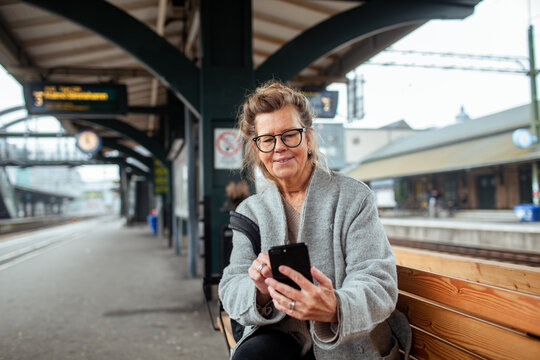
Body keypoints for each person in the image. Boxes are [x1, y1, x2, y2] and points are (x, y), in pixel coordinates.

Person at [218, 81, 400, 359]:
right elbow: (231, 286)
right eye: (267, 139)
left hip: (346, 342)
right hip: (278, 337)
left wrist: (335, 306)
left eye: (290, 134)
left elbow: (378, 280)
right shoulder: (250, 212)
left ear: (309, 139)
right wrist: (260, 293)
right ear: (257, 150)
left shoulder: (353, 197)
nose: (279, 147)